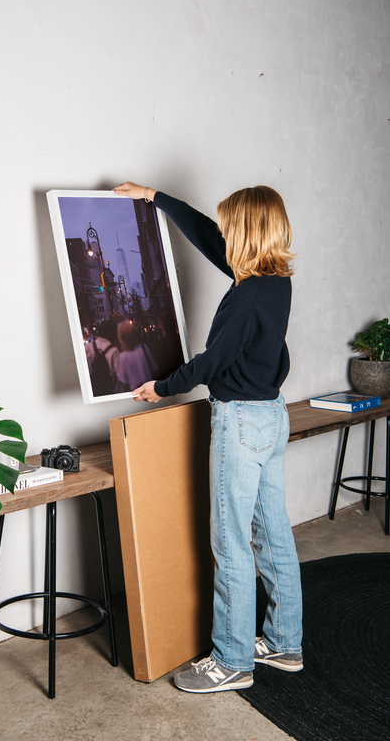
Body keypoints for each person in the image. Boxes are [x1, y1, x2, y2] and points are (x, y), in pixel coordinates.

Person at [113, 180, 303, 694]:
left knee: (231, 541)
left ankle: (233, 659)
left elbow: (209, 363)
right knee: (273, 533)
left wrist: (162, 387)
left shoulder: (244, 300)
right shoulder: (274, 280)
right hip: (271, 417)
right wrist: (159, 199)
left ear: (244, 234)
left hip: (239, 423)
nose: (221, 234)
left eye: (228, 228)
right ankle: (285, 644)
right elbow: (207, 237)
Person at [117, 320, 157, 392]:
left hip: (136, 393)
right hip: (150, 389)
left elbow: (124, 382)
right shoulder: (144, 348)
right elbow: (154, 368)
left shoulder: (122, 357)